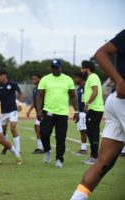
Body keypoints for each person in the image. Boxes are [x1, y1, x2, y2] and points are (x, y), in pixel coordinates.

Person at [70, 30, 125, 200]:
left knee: (103, 163)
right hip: (120, 101)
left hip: (114, 102)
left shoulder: (91, 78)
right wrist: (120, 79)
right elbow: (100, 53)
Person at [36, 59, 79, 168]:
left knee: (61, 138)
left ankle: (59, 159)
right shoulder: (45, 79)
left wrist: (77, 111)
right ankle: (47, 150)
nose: (55, 69)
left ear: (61, 68)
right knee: (44, 134)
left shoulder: (68, 79)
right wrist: (38, 110)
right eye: (53, 67)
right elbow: (40, 95)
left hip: (62, 114)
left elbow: (73, 96)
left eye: (57, 67)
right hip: (48, 112)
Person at [80, 60, 104, 165]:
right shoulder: (91, 78)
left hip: (95, 109)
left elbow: (95, 91)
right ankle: (94, 156)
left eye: (82, 68)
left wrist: (87, 104)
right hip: (93, 109)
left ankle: (95, 157)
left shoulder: (93, 77)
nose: (81, 70)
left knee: (92, 132)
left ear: (87, 68)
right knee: (90, 132)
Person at [0, 69, 24, 154]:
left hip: (13, 110)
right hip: (4, 112)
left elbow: (20, 93)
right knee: (3, 132)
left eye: (0, 75)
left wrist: (20, 103)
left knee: (12, 128)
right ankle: (7, 146)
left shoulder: (12, 83)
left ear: (5, 75)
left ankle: (18, 150)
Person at [26, 73, 44, 154]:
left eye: (35, 79)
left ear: (40, 79)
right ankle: (41, 147)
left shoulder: (43, 89)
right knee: (37, 128)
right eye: (32, 79)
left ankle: (41, 148)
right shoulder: (34, 89)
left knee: (38, 128)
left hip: (43, 112)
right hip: (38, 113)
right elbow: (35, 101)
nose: (33, 80)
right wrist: (29, 110)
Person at [74, 72, 88, 155]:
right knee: (82, 130)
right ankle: (83, 148)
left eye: (76, 78)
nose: (74, 80)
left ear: (81, 78)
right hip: (80, 112)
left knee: (84, 130)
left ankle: (84, 149)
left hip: (85, 112)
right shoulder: (79, 88)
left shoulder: (86, 87)